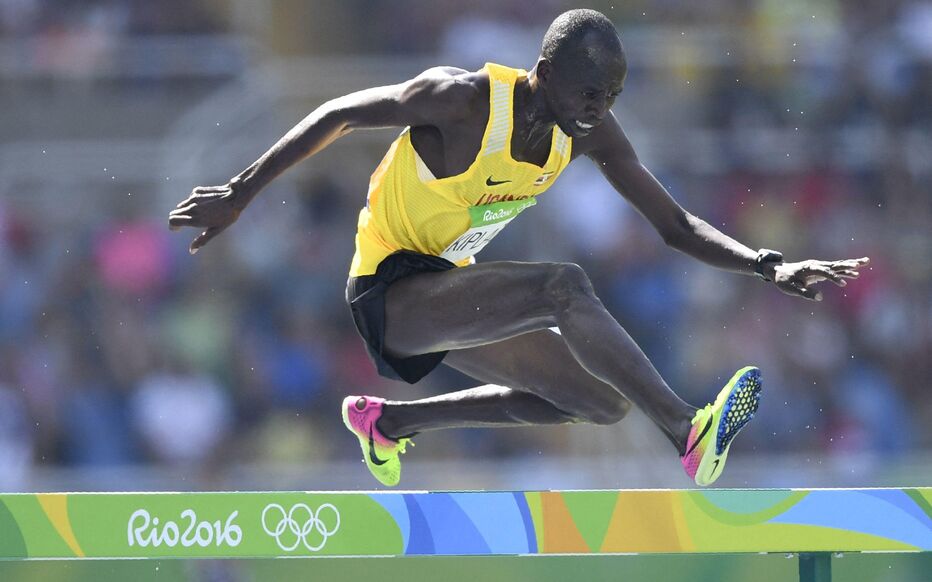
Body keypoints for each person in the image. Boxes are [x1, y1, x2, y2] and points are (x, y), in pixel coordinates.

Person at [168, 9, 869, 487]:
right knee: (560, 286)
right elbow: (341, 113)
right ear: (545, 70)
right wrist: (241, 191)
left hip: (449, 291)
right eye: (590, 91)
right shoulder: (465, 100)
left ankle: (388, 423)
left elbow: (675, 226)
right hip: (387, 290)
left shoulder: (586, 132)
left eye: (614, 95)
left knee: (597, 402)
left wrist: (765, 263)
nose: (599, 108)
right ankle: (688, 431)